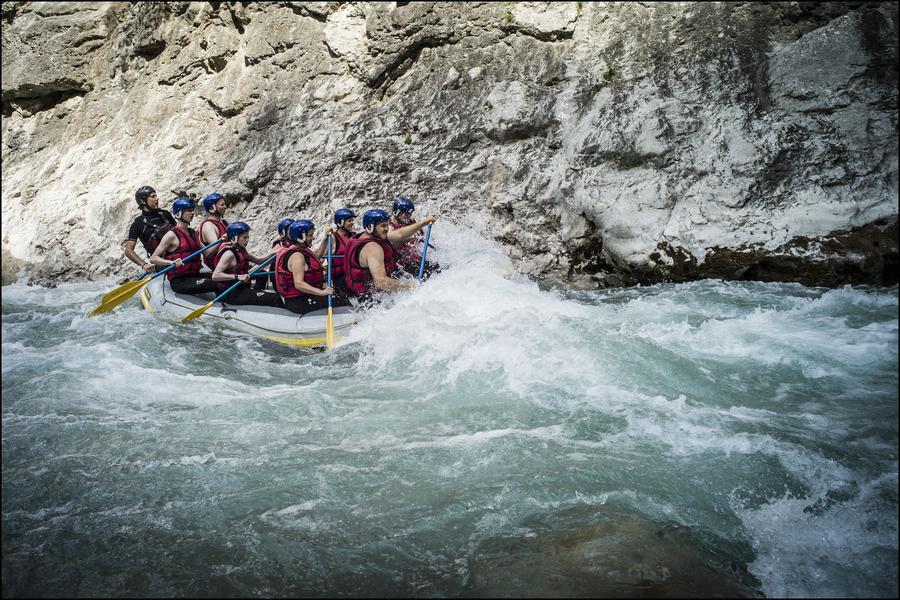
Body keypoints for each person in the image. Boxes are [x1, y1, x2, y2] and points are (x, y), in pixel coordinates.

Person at [344, 208, 438, 302]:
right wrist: (411, 287)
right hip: (373, 300)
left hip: (363, 295)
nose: (387, 229)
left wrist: (416, 231)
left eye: (387, 225)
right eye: (383, 226)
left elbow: (399, 235)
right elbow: (381, 282)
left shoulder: (361, 237)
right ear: (370, 227)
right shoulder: (372, 248)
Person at [274, 219, 351, 314]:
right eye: (310, 235)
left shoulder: (301, 249)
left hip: (304, 297)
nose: (313, 238)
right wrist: (321, 292)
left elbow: (316, 257)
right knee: (339, 299)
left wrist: (325, 239)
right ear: (300, 237)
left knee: (339, 293)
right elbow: (299, 284)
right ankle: (351, 318)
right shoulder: (297, 256)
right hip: (298, 302)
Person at [149, 197, 221, 294]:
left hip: (194, 275)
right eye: (188, 210)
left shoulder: (193, 233)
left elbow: (207, 253)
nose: (192, 213)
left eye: (192, 210)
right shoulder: (171, 235)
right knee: (218, 284)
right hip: (180, 281)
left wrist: (220, 240)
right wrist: (170, 262)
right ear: (178, 214)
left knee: (225, 279)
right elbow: (153, 258)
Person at [211, 222, 284, 307]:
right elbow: (215, 276)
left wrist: (275, 254)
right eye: (244, 237)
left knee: (262, 275)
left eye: (248, 237)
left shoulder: (240, 249)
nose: (247, 240)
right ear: (234, 238)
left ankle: (256, 297)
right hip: (231, 293)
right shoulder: (229, 254)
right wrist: (237, 276)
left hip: (241, 288)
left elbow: (258, 261)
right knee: (275, 298)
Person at [123, 185, 176, 274]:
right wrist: (144, 264)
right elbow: (128, 251)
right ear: (143, 201)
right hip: (163, 262)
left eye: (156, 195)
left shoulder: (165, 214)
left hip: (179, 254)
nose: (157, 198)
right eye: (153, 196)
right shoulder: (137, 224)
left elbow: (180, 233)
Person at [388, 196, 440, 278]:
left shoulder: (412, 222)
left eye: (409, 213)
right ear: (396, 213)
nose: (406, 216)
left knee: (437, 268)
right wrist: (410, 237)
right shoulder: (390, 226)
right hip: (400, 264)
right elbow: (395, 240)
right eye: (403, 213)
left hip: (413, 259)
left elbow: (423, 234)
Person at [327, 208, 356, 296]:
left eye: (352, 220)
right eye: (349, 221)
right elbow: (321, 257)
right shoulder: (332, 238)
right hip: (341, 279)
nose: (352, 223)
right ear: (340, 222)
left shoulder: (353, 236)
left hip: (354, 276)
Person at [197, 193, 229, 270]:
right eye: (222, 205)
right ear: (212, 207)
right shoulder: (209, 225)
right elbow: (217, 250)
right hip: (221, 266)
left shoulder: (222, 223)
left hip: (230, 262)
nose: (225, 207)